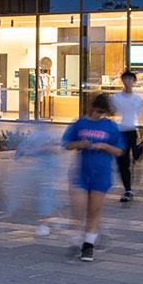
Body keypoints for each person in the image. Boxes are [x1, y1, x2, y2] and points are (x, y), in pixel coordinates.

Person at [62, 94, 124, 262]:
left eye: (102, 112)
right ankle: (76, 238)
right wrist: (79, 144)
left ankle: (88, 245)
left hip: (101, 172)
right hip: (81, 172)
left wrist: (105, 146)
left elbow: (119, 150)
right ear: (92, 107)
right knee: (78, 208)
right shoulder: (80, 123)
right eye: (97, 111)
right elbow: (67, 144)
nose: (98, 115)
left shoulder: (111, 126)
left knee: (94, 210)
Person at [110, 71, 143, 205]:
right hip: (120, 132)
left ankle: (139, 151)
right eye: (125, 79)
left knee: (135, 158)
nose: (128, 82)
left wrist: (142, 132)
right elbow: (112, 113)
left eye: (130, 79)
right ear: (122, 81)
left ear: (134, 81)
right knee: (123, 162)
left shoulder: (138, 99)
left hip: (132, 130)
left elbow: (140, 116)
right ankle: (128, 189)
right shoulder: (115, 97)